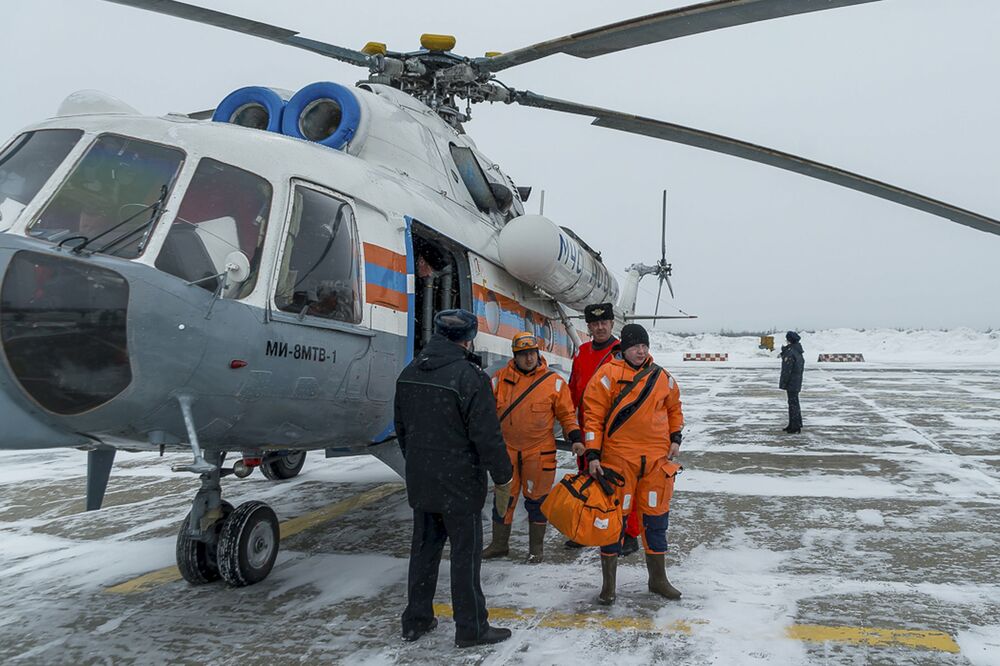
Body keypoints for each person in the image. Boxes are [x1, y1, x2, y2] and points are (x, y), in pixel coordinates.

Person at [394, 309, 515, 648]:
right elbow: (486, 435)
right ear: (468, 339)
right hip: (460, 485)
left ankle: (416, 621)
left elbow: (401, 429)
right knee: (465, 558)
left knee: (424, 553)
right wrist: (503, 474)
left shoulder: (409, 372)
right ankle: (471, 628)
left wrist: (419, 464)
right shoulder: (470, 377)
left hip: (423, 482)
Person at [582, 323, 685, 605]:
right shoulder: (607, 375)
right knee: (613, 521)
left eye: (644, 346)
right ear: (624, 348)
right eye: (635, 346)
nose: (641, 351)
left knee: (656, 519)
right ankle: (609, 586)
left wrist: (675, 438)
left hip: (656, 462)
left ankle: (658, 579)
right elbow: (592, 417)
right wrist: (593, 454)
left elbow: (675, 409)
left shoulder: (662, 377)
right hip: (619, 461)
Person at [482, 332, 582, 564]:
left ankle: (536, 550)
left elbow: (567, 415)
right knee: (503, 498)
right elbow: (485, 414)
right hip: (506, 451)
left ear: (538, 354)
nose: (529, 359)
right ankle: (499, 545)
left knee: (537, 501)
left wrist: (575, 438)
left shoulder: (554, 383)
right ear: (514, 356)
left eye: (532, 353)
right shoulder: (498, 380)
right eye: (523, 354)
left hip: (539, 452)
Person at [565, 303, 642, 556]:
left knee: (622, 485)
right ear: (588, 326)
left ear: (611, 324)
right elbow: (572, 390)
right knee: (587, 480)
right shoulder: (582, 353)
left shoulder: (622, 353)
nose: (600, 327)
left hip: (614, 432)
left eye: (604, 323)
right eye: (595, 324)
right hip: (587, 430)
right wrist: (571, 426)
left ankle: (628, 534)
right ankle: (586, 528)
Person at [779, 330, 805, 433]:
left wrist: (784, 383)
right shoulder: (797, 350)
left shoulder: (791, 352)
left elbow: (787, 370)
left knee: (793, 404)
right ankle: (794, 424)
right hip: (796, 381)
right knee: (794, 403)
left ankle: (795, 426)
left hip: (792, 382)